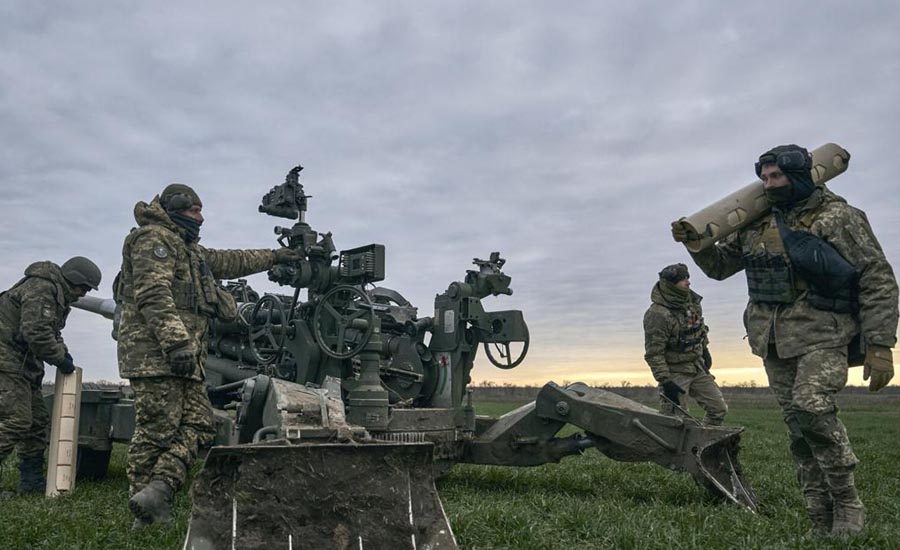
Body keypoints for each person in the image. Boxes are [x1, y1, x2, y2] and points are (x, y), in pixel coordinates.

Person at [672, 144, 898, 536]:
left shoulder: (838, 217)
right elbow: (723, 268)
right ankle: (819, 516)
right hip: (772, 338)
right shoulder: (757, 222)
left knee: (811, 407)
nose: (770, 184)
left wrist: (880, 344)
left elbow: (877, 278)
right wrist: (697, 245)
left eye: (777, 176)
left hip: (823, 332)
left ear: (800, 175)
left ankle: (847, 504)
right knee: (797, 427)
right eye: (764, 178)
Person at [117, 183, 299, 526]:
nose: (200, 218)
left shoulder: (190, 250)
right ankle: (144, 513)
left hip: (186, 356)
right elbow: (153, 294)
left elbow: (232, 260)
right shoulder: (153, 240)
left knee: (201, 424)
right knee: (156, 432)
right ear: (174, 210)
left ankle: (159, 489)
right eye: (194, 211)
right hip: (156, 356)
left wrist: (275, 256)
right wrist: (176, 342)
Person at [0, 256, 101, 496]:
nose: (82, 294)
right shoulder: (42, 289)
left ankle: (31, 481)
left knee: (37, 424)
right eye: (84, 288)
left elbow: (51, 332)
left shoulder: (55, 294)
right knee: (17, 420)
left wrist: (64, 354)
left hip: (24, 366)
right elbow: (35, 331)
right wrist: (59, 359)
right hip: (7, 362)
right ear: (73, 280)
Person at [643, 263, 727, 426]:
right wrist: (666, 382)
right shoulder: (657, 314)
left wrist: (704, 350)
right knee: (676, 421)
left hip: (696, 367)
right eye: (682, 280)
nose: (688, 282)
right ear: (670, 285)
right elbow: (654, 353)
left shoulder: (692, 303)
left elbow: (699, 329)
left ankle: (706, 443)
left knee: (718, 409)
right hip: (674, 372)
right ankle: (675, 451)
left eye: (688, 278)